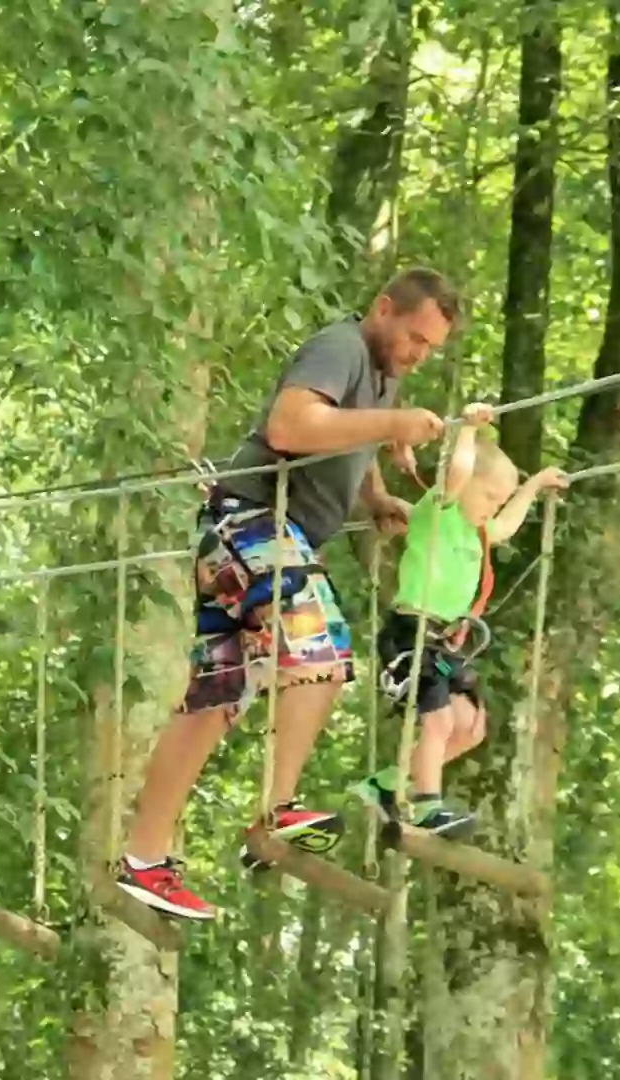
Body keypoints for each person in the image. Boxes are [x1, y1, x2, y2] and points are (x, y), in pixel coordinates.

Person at [114, 268, 461, 922]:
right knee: (320, 649)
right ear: (383, 308)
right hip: (253, 522)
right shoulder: (342, 347)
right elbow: (291, 426)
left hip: (248, 537)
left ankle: (143, 860)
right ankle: (278, 809)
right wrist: (394, 420)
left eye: (430, 348)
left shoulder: (380, 374)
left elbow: (345, 439)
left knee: (215, 699)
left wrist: (375, 496)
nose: (419, 354)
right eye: (415, 337)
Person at [348, 403, 568, 836]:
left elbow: (508, 524)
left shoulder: (476, 532)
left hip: (442, 643)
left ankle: (389, 783)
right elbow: (456, 474)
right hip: (410, 633)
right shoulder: (439, 511)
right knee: (440, 721)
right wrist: (467, 430)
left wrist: (535, 484)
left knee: (470, 727)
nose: (493, 507)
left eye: (498, 500)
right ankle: (426, 805)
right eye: (489, 496)